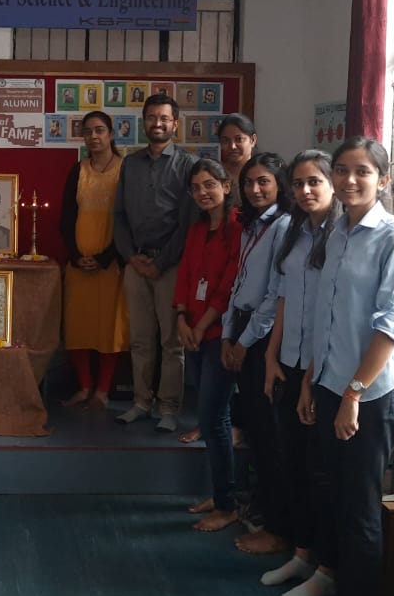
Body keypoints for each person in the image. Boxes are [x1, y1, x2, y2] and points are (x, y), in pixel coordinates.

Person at [296, 137, 394, 596]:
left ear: (383, 180)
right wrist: (311, 379)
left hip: (369, 395)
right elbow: (324, 316)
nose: (349, 180)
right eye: (342, 170)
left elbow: (390, 325)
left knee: (362, 511)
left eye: (362, 172)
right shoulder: (338, 232)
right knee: (338, 503)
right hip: (331, 385)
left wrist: (354, 391)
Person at [260, 150, 342, 596]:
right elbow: (284, 298)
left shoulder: (343, 235)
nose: (305, 190)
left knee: (320, 471)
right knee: (291, 461)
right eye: (297, 183)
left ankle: (326, 569)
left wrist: (309, 375)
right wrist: (271, 356)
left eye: (315, 181)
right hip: (289, 360)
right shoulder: (292, 230)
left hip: (325, 370)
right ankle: (302, 553)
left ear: (332, 184)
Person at [222, 152, 292, 552]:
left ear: (280, 185)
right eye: (249, 182)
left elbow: (273, 295)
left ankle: (277, 528)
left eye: (263, 181)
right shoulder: (251, 226)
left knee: (270, 436)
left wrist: (245, 341)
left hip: (264, 337)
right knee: (256, 430)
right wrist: (228, 334)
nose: (254, 189)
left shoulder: (283, 226)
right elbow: (240, 282)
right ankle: (261, 511)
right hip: (243, 327)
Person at [113, 94, 196, 432]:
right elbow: (119, 215)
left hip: (171, 265)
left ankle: (169, 408)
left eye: (164, 118)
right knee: (140, 339)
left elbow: (187, 222)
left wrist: (162, 263)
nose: (157, 123)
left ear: (175, 123)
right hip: (135, 262)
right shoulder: (130, 164)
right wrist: (130, 255)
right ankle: (141, 402)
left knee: (171, 342)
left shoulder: (188, 165)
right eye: (151, 117)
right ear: (143, 122)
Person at [175, 159, 242, 530]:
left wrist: (200, 326)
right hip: (193, 330)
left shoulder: (238, 227)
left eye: (210, 185)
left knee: (213, 418)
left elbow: (229, 284)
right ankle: (220, 495)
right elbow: (186, 274)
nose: (203, 192)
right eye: (196, 188)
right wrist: (181, 318)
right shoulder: (197, 229)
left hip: (220, 335)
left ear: (226, 186)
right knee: (212, 416)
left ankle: (228, 504)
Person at [59, 111, 128, 407]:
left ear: (111, 134)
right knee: (78, 327)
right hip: (79, 264)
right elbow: (66, 219)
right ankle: (84, 386)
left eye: (99, 130)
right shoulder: (78, 170)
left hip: (111, 264)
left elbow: (128, 220)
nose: (93, 136)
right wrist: (77, 257)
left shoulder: (125, 170)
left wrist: (104, 257)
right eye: (87, 132)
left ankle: (102, 390)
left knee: (109, 328)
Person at [217, 113, 258, 209]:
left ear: (252, 140)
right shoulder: (216, 175)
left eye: (239, 139)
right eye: (225, 140)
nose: (232, 146)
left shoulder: (266, 173)